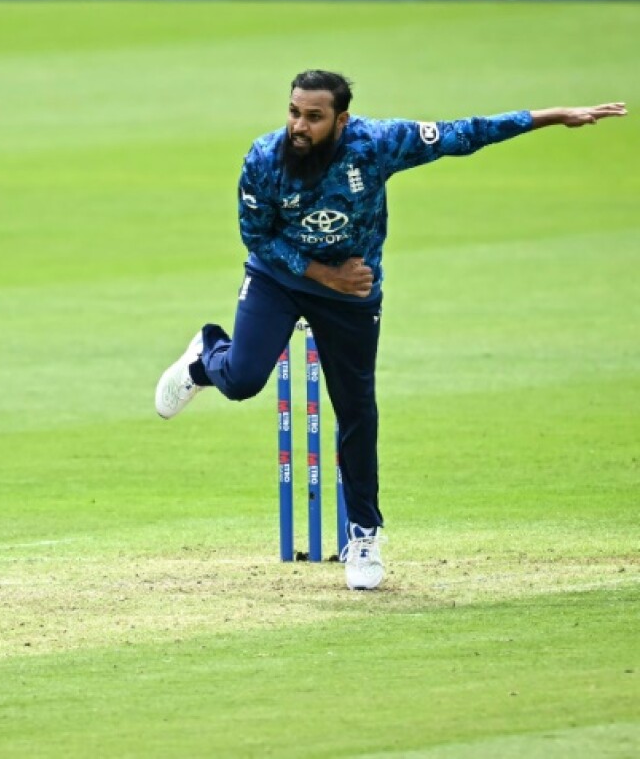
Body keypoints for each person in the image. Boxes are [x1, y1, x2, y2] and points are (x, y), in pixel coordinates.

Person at [154, 69, 626, 591]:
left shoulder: (376, 145)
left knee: (356, 408)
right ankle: (206, 359)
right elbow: (256, 237)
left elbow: (463, 133)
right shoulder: (264, 158)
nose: (299, 126)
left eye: (313, 116)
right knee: (242, 379)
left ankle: (364, 534)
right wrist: (323, 274)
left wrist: (550, 117)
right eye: (294, 112)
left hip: (352, 295)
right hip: (281, 277)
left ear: (341, 119)